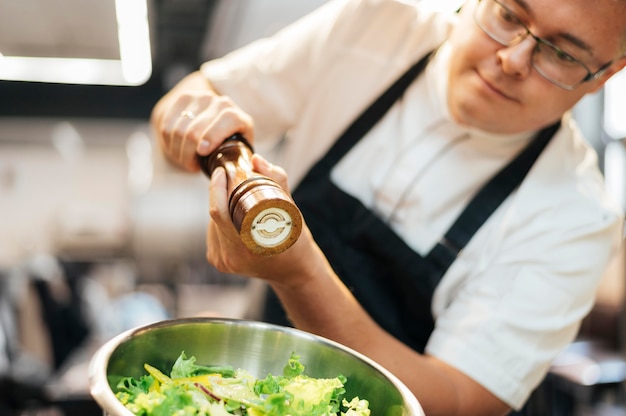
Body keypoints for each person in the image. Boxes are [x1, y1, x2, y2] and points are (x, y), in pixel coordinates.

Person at [150, 0, 626, 414]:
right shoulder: (373, 26)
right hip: (254, 392)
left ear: (605, 74)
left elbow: (457, 400)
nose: (514, 58)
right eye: (507, 14)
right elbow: (197, 96)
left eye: (562, 53)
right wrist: (192, 121)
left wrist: (298, 273)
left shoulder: (577, 214)